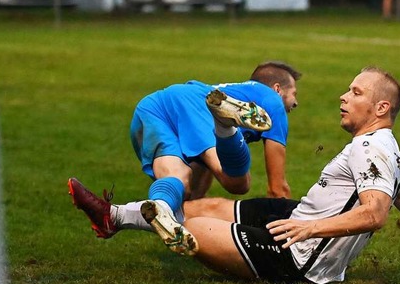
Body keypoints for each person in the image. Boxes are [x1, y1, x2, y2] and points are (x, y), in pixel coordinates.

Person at [69, 66, 400, 284]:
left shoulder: (372, 148)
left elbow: (375, 214)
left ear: (381, 109)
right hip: (298, 214)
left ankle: (126, 213)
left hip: (297, 257)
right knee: (199, 205)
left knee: (190, 227)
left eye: (356, 92)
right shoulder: (391, 151)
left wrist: (310, 230)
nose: (343, 96)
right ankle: (115, 215)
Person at [69, 61, 301, 254]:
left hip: (154, 106)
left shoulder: (238, 90)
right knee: (238, 183)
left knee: (180, 184)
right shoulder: (272, 102)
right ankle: (224, 127)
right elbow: (277, 188)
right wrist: (295, 235)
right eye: (294, 94)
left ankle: (114, 217)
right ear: (278, 89)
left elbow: (198, 188)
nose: (296, 103)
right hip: (196, 104)